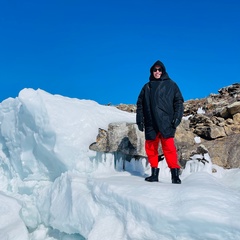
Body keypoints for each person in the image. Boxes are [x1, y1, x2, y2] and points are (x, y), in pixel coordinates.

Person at [136, 60, 184, 184]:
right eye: (155, 70)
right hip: (151, 122)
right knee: (151, 148)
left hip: (166, 122)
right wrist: (139, 120)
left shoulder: (171, 85)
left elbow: (178, 102)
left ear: (163, 71)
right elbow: (140, 104)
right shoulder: (147, 87)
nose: (157, 72)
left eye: (159, 70)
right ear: (152, 72)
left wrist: (177, 118)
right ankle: (154, 174)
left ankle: (175, 176)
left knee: (169, 148)